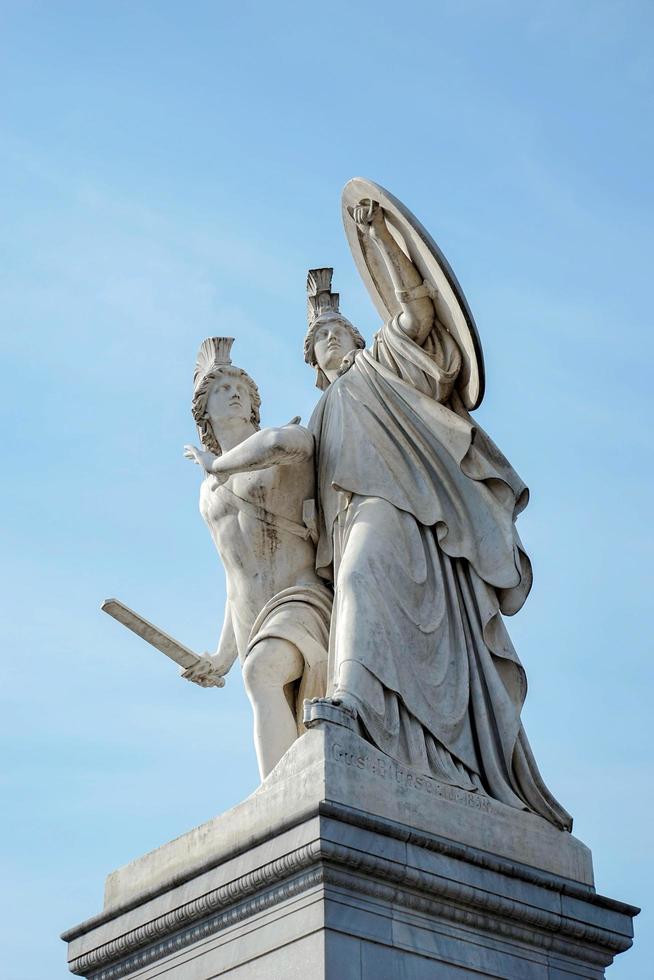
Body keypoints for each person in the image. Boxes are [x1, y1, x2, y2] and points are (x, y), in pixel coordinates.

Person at [303, 200, 571, 830]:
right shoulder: (318, 415)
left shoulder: (381, 366)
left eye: (339, 333)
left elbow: (415, 312)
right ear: (313, 362)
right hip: (349, 525)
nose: (333, 343)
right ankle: (390, 732)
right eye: (320, 342)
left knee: (364, 580)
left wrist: (380, 239)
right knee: (357, 589)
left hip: (406, 518)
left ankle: (351, 702)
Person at [183, 337, 331, 779]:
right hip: (250, 616)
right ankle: (287, 807)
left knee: (262, 672)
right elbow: (235, 574)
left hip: (300, 594)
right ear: (204, 412)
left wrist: (219, 466)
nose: (232, 392)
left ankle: (279, 799)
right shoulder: (207, 495)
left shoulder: (276, 443)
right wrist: (222, 654)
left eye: (241, 389)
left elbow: (295, 443)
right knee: (270, 692)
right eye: (219, 389)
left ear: (253, 405)